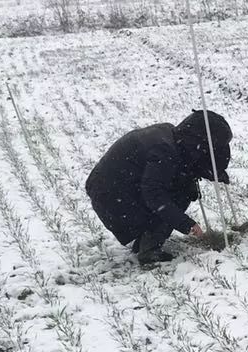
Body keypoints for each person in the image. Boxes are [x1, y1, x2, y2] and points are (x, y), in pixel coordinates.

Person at [85, 110, 232, 266]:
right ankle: (149, 251)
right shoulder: (164, 151)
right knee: (179, 194)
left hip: (115, 188)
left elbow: (183, 166)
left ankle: (146, 238)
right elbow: (154, 194)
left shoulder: (172, 136)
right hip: (110, 197)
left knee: (182, 186)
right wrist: (187, 224)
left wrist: (210, 171)